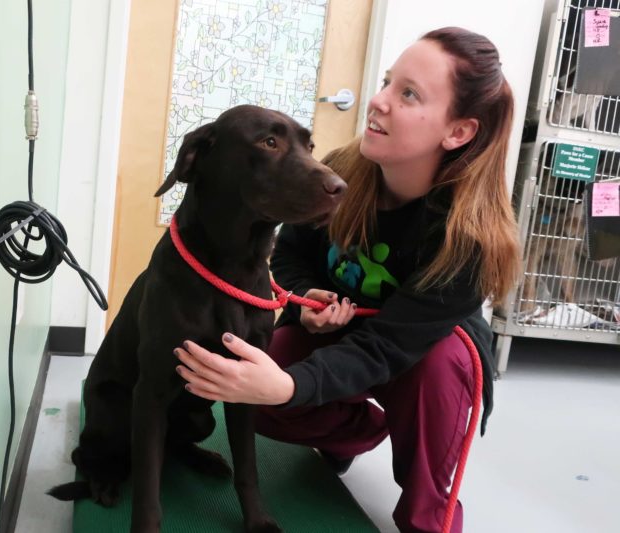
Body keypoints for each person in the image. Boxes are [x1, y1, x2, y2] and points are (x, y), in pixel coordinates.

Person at [173, 26, 521, 533]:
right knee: (258, 385)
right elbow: (289, 257)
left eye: (408, 94)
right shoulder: (338, 174)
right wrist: (303, 300)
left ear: (458, 132)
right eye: (386, 82)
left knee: (436, 367)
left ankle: (427, 517)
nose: (377, 102)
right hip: (343, 332)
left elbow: (386, 348)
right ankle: (353, 433)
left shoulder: (471, 235)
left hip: (419, 353)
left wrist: (292, 385)